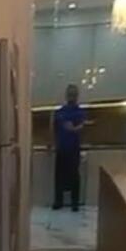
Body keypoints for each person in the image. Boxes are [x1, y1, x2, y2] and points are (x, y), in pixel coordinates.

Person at [52, 83, 85, 211]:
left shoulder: (80, 112)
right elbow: (53, 128)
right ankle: (58, 201)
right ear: (66, 95)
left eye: (74, 93)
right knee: (59, 175)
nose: (71, 96)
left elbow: (82, 127)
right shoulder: (60, 112)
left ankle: (74, 202)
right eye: (70, 93)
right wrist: (52, 143)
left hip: (74, 149)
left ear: (77, 95)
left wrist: (73, 129)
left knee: (74, 176)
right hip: (61, 148)